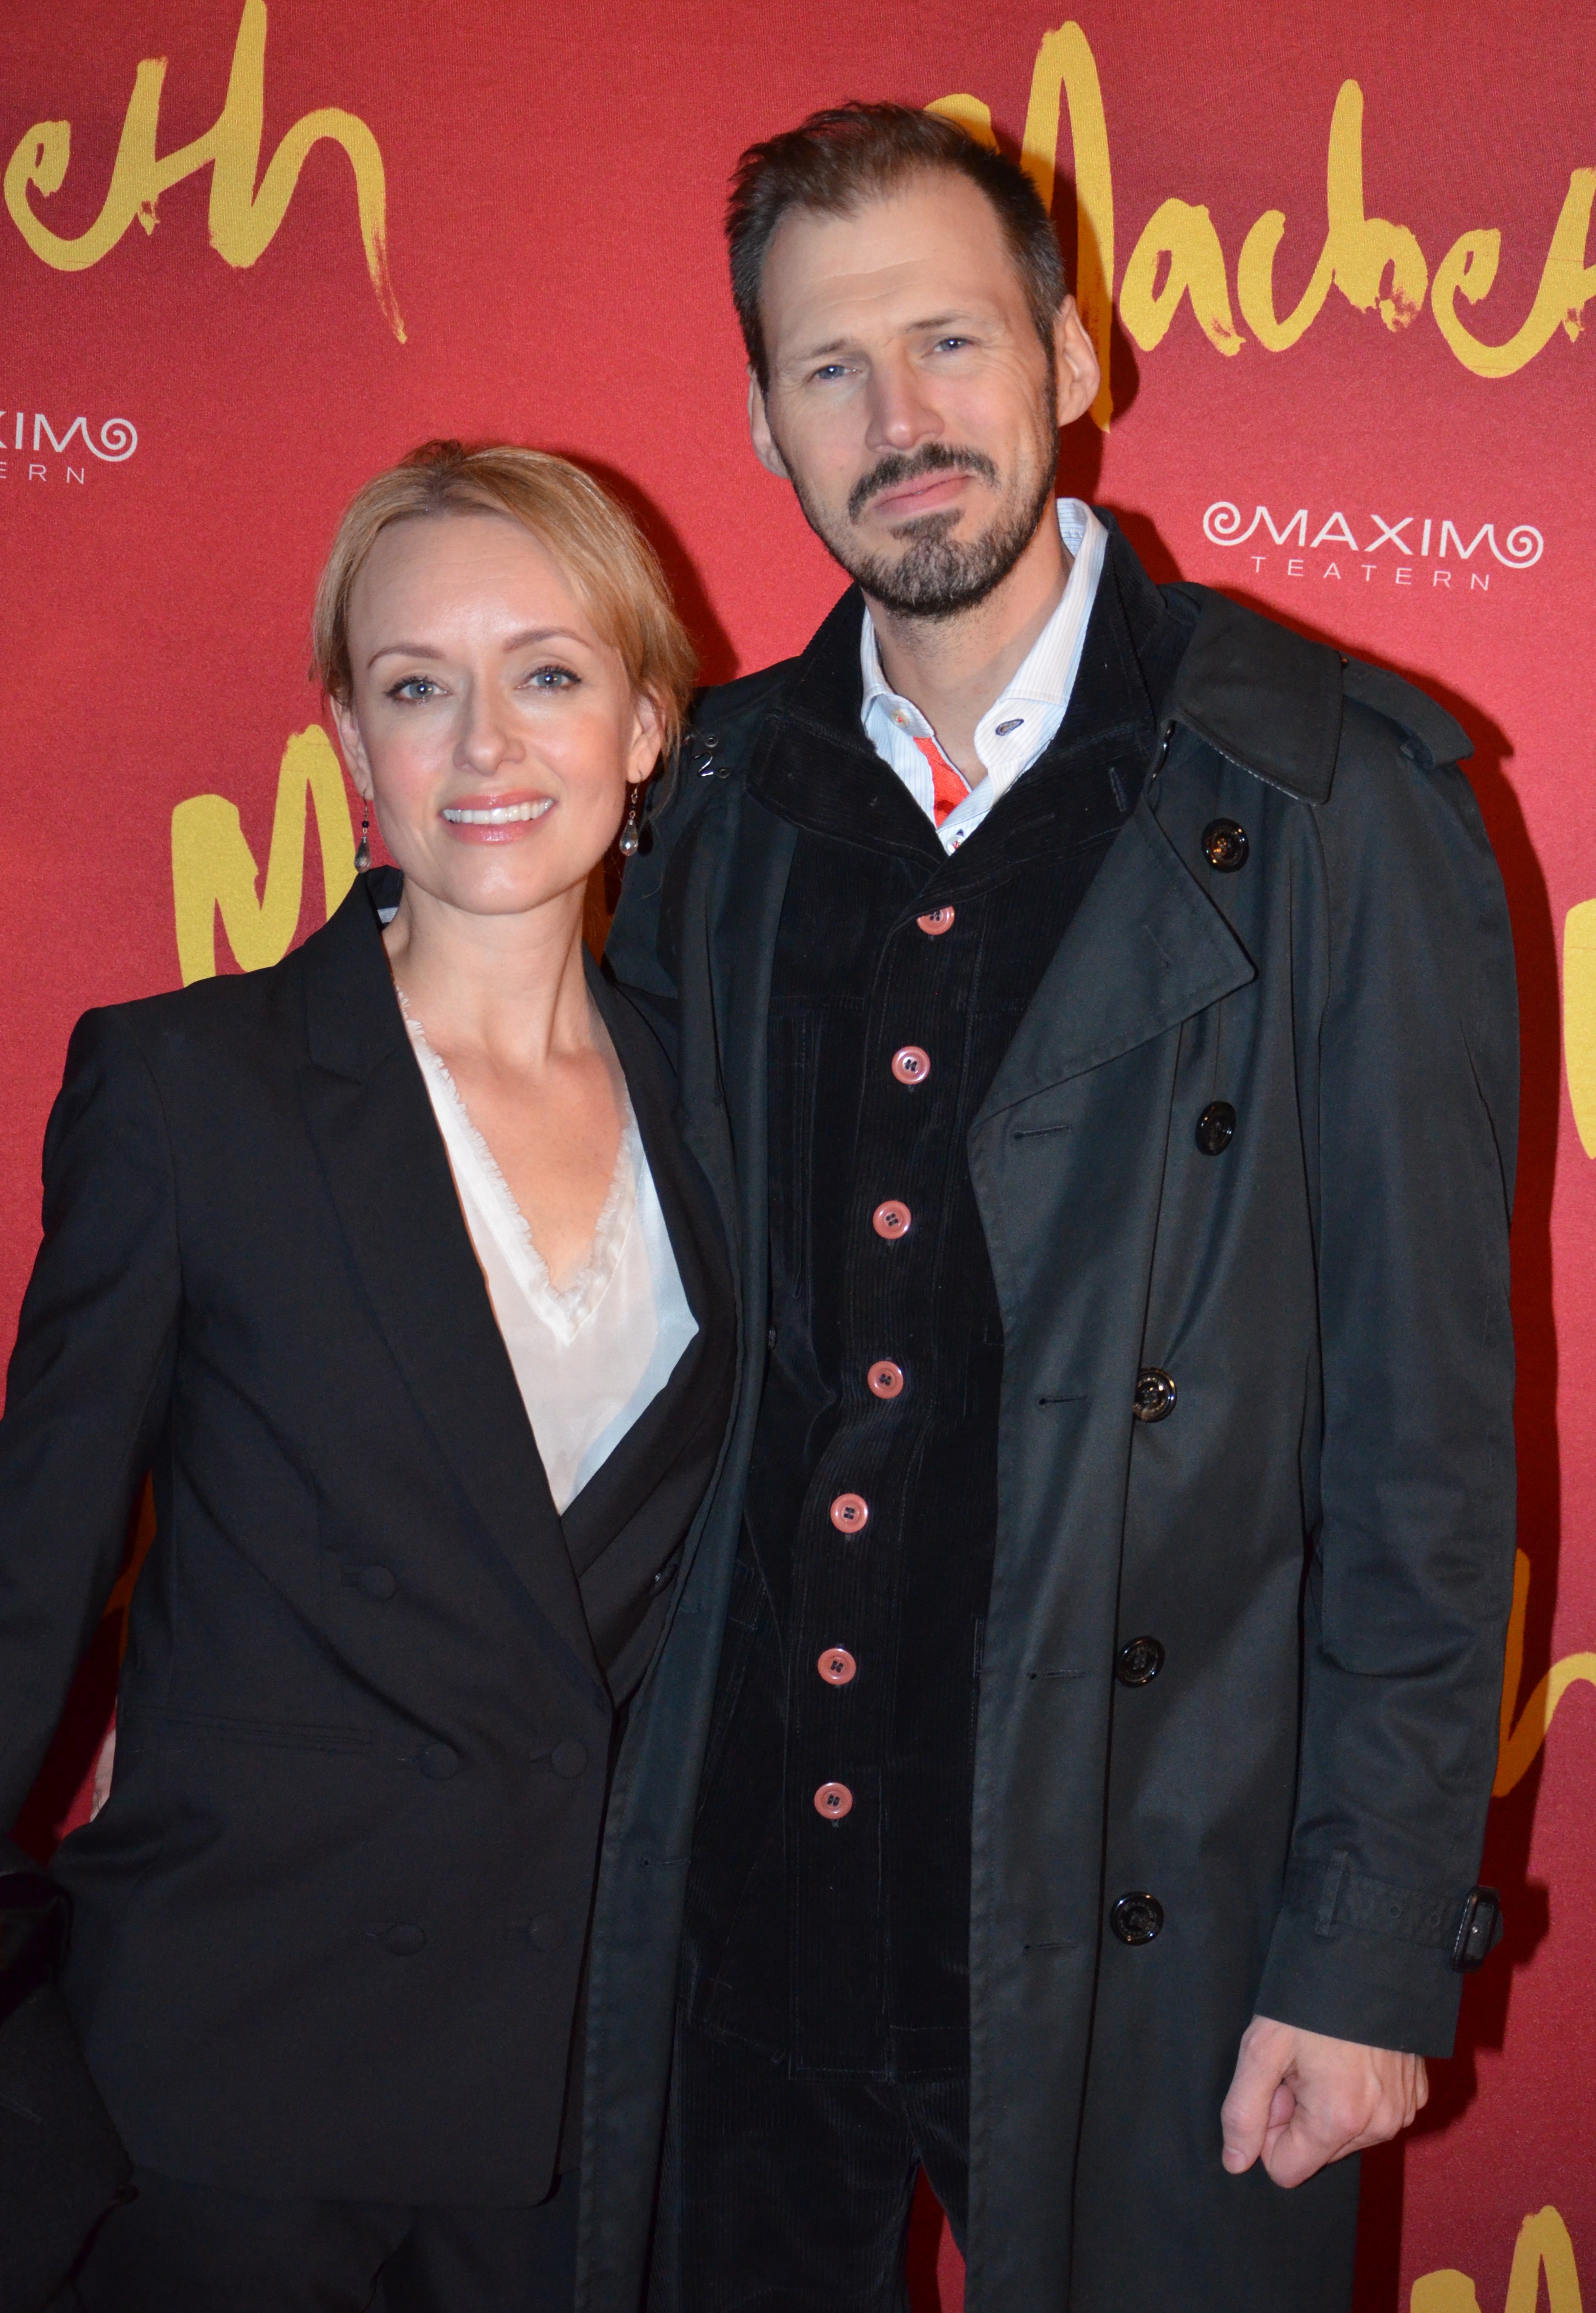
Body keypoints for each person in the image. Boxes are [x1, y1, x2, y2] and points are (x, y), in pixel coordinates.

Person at [582, 105, 1518, 2312]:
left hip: (1149, 1917)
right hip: (739, 1924)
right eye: (832, 368)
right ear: (762, 421)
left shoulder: (1336, 792)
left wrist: (1367, 1950)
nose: (900, 422)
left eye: (950, 342)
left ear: (1071, 355)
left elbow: (1423, 1438)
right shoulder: (709, 803)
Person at [0, 441, 733, 2312]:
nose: (485, 743)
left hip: (582, 2101)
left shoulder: (733, 1114)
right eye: (417, 686)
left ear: (648, 723)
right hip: (228, 2088)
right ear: (349, 737)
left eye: (549, 672)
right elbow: (28, 1591)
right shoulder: (190, 1090)